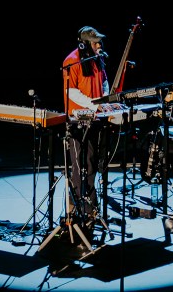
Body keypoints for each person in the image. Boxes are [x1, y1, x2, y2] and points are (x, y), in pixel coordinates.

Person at [62, 25, 110, 216]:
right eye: (96, 42)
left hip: (95, 117)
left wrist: (105, 100)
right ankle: (76, 207)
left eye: (99, 41)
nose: (99, 45)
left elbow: (104, 82)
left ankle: (89, 206)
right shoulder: (71, 61)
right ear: (84, 44)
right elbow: (70, 90)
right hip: (77, 119)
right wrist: (93, 104)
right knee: (79, 165)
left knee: (91, 162)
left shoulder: (97, 59)